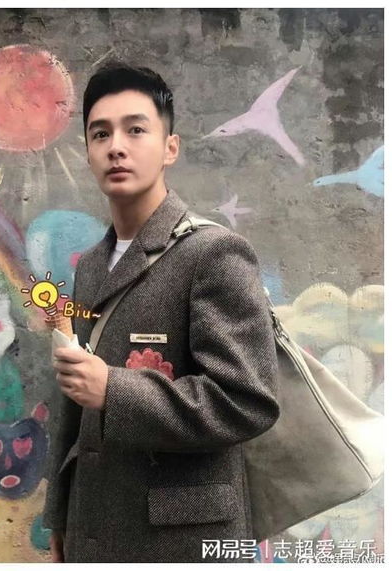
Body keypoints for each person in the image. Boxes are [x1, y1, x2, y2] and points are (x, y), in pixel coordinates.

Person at [42, 61, 280, 563]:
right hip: (93, 528)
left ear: (170, 147)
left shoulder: (214, 253)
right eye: (100, 134)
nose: (116, 147)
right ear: (88, 152)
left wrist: (114, 390)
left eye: (136, 129)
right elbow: (75, 403)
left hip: (183, 539)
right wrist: (61, 515)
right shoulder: (90, 267)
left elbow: (247, 400)